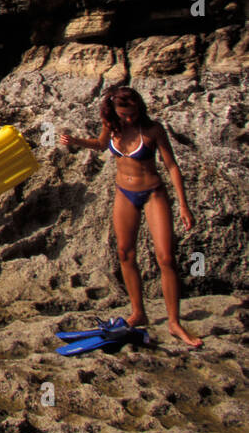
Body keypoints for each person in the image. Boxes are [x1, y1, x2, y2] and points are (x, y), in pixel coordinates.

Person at [59, 85, 201, 347]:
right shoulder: (111, 125)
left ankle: (174, 323)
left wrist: (183, 205)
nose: (128, 118)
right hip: (124, 192)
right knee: (125, 253)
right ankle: (138, 312)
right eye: (123, 114)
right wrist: (76, 141)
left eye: (132, 113)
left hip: (153, 193)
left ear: (140, 108)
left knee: (166, 257)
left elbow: (171, 166)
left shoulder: (153, 129)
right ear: (113, 110)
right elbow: (101, 146)